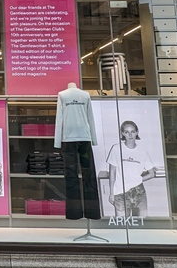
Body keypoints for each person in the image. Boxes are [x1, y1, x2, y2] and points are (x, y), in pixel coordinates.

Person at [54, 82, 101, 220]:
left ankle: (76, 213)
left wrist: (58, 142)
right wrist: (94, 139)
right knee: (88, 174)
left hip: (70, 139)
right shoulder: (65, 95)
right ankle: (91, 212)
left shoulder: (83, 96)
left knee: (72, 176)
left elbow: (60, 119)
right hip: (84, 138)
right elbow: (90, 119)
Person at [104, 120, 157, 217]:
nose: (130, 135)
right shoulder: (116, 149)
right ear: (123, 134)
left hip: (138, 192)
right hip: (120, 192)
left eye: (133, 131)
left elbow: (152, 173)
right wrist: (111, 193)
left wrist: (139, 179)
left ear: (137, 133)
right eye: (127, 132)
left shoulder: (142, 151)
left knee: (141, 223)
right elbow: (112, 173)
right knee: (122, 224)